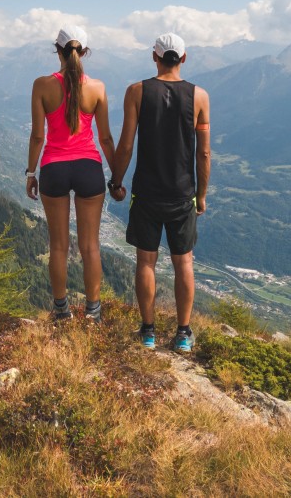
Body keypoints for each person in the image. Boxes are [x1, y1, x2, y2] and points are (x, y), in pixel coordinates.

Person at [112, 32, 211, 351]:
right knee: (184, 263)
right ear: (184, 58)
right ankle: (183, 333)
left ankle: (148, 332)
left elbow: (126, 144)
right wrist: (202, 194)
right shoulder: (200, 97)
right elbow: (204, 153)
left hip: (147, 192)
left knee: (146, 262)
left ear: (154, 56)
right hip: (183, 193)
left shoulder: (136, 92)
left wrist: (116, 181)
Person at [27, 25, 118, 323]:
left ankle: (61, 310)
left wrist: (31, 172)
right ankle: (93, 313)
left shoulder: (41, 85)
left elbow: (38, 137)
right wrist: (116, 175)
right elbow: (105, 139)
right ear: (85, 52)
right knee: (90, 246)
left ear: (57, 50)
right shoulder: (98, 88)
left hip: (53, 168)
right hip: (88, 168)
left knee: (58, 246)